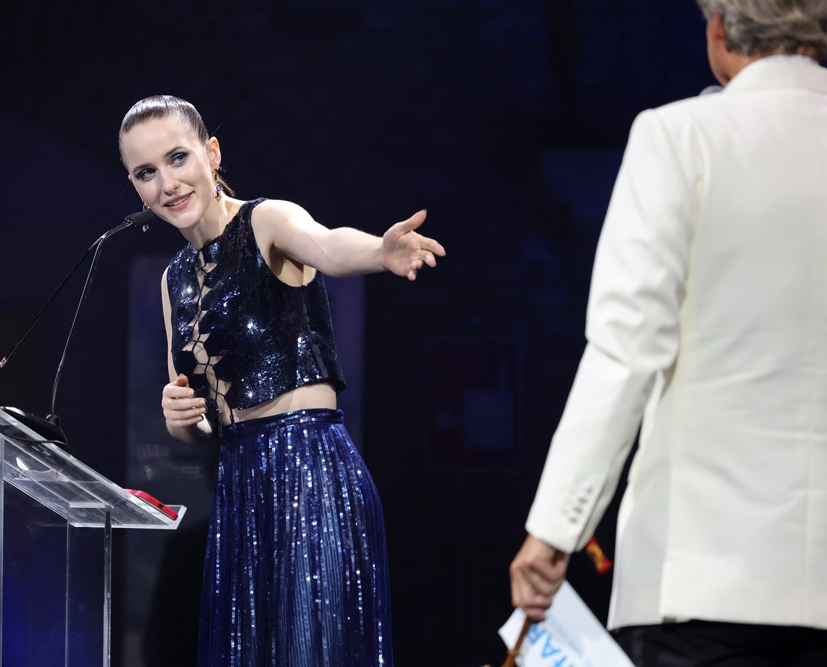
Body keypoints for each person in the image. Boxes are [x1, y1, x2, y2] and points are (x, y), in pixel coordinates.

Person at [508, 1, 827, 664]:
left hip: (702, 580)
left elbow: (627, 350)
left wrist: (555, 531)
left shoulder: (680, 137)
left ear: (719, 33)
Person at [118, 95, 445, 666]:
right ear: (134, 186)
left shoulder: (265, 221)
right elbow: (200, 428)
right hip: (238, 488)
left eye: (177, 158)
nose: (167, 183)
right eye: (147, 172)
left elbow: (327, 244)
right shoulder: (174, 282)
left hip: (309, 472)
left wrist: (379, 251)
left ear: (211, 155)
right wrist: (182, 421)